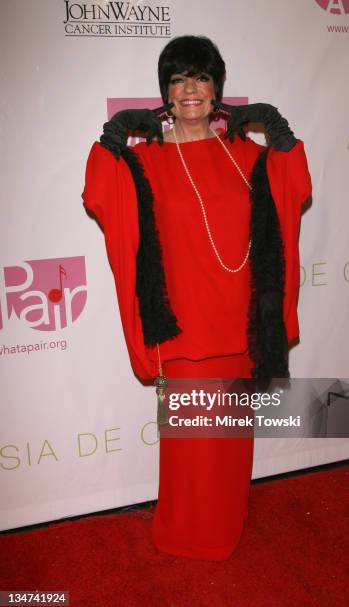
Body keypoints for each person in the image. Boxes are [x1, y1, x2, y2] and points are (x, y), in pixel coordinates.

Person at [82, 35, 312, 561]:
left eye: (202, 78)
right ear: (165, 91)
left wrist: (281, 134)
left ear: (218, 90)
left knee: (228, 448)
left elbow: (294, 186)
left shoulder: (247, 155)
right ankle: (184, 531)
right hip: (182, 329)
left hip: (240, 324)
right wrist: (111, 138)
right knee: (190, 448)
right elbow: (99, 192)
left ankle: (224, 527)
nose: (191, 89)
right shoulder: (145, 161)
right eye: (179, 78)